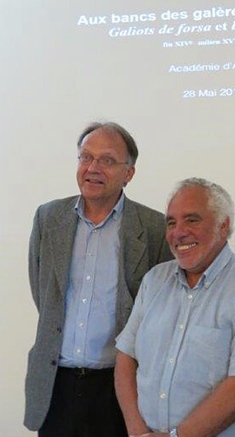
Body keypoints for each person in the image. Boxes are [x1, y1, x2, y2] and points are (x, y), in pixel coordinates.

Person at [24, 121, 173, 436]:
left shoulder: (154, 228)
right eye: (85, 157)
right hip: (56, 383)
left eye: (107, 160)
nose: (93, 168)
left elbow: (161, 310)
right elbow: (43, 293)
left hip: (119, 386)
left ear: (128, 173)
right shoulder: (48, 218)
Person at [115, 177, 235, 437]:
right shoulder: (154, 280)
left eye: (192, 220)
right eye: (171, 222)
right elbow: (126, 357)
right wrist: (137, 432)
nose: (178, 232)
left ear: (223, 225)